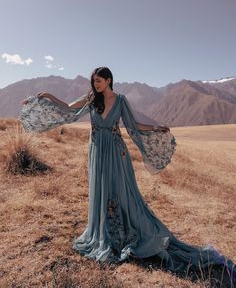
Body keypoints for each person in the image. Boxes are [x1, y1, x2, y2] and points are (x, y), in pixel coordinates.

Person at [20, 67, 235, 286]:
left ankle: (128, 229)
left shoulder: (121, 101)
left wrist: (155, 127)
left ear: (109, 80)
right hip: (97, 152)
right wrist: (46, 96)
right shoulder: (91, 100)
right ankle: (104, 230)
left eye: (99, 81)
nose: (95, 84)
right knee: (101, 190)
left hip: (116, 153)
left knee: (122, 191)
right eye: (94, 81)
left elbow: (133, 126)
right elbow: (66, 108)